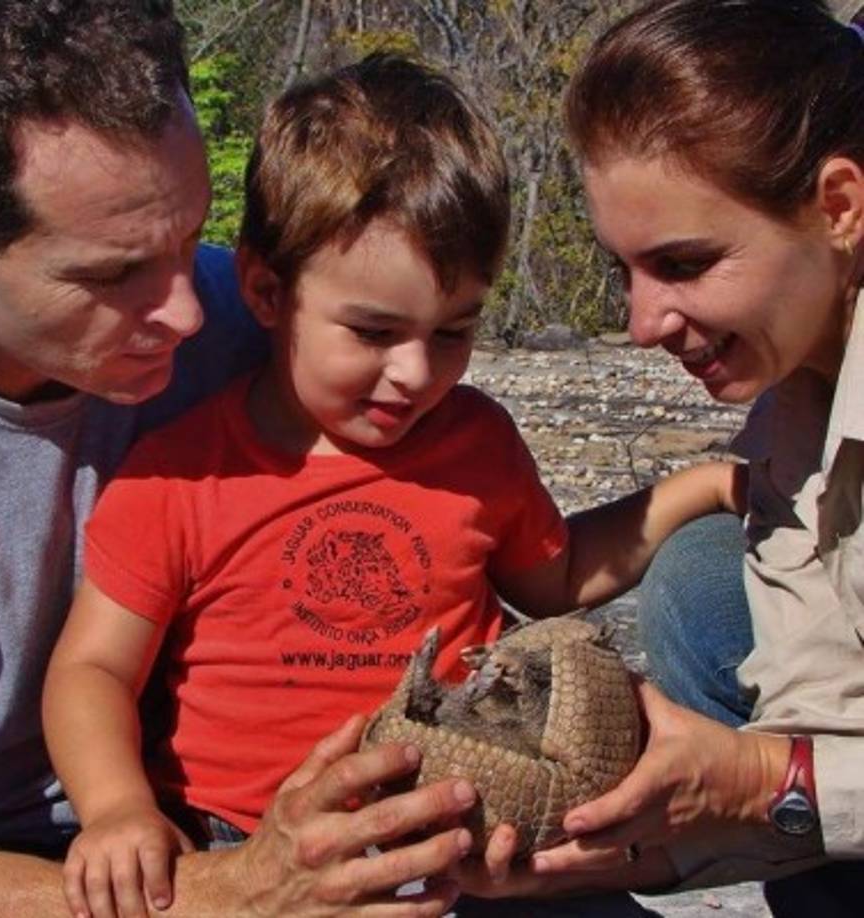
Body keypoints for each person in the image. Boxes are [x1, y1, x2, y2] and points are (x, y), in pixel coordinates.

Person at [41, 53, 744, 918]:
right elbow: (92, 670)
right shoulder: (181, 473)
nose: (415, 373)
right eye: (374, 331)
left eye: (453, 331)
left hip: (478, 832)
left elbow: (556, 582)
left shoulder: (477, 442)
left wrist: (701, 486)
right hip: (256, 846)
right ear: (266, 290)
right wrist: (116, 811)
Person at [0, 4, 519, 917]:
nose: (184, 310)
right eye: (114, 272)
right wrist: (213, 892)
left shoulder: (265, 316)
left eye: (189, 240)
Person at [488, 1, 864, 915]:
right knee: (701, 576)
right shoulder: (793, 397)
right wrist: (627, 847)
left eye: (686, 264)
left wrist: (745, 784)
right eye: (626, 271)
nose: (643, 324)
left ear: (839, 207)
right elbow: (825, 710)